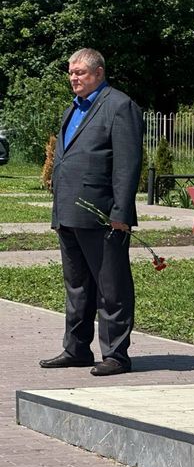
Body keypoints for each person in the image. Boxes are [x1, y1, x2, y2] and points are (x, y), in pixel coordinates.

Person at [40, 48, 144, 377]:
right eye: (71, 72)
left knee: (111, 285)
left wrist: (120, 212)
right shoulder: (74, 107)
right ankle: (77, 349)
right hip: (69, 212)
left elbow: (128, 165)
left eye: (80, 72)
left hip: (102, 214)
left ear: (98, 73)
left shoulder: (119, 106)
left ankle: (115, 355)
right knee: (77, 286)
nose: (73, 77)